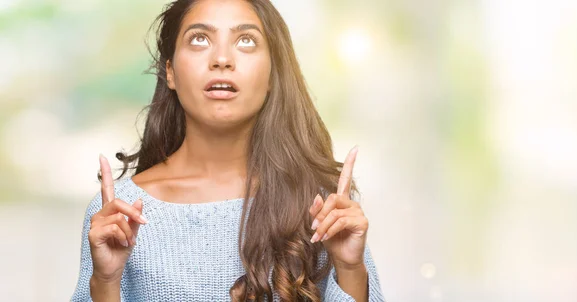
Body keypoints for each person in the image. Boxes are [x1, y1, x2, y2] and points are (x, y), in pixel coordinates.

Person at [71, 0, 385, 301]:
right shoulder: (119, 214)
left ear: (273, 74)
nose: (222, 59)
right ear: (170, 72)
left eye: (246, 41)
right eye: (199, 39)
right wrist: (106, 282)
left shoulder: (322, 206)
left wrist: (350, 268)